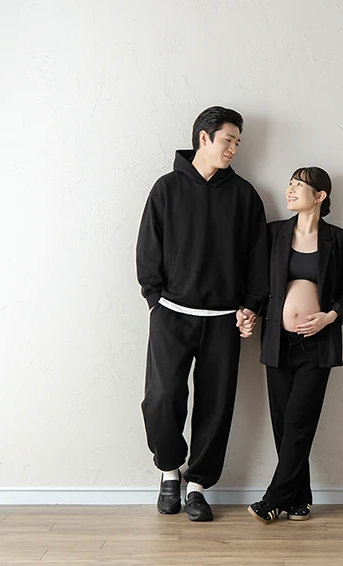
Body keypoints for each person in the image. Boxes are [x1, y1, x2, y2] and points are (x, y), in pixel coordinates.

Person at [136, 106, 268, 522]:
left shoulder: (245, 195)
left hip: (223, 319)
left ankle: (197, 486)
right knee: (162, 399)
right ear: (203, 138)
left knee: (216, 405)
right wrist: (155, 301)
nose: (233, 149)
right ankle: (169, 471)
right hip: (171, 314)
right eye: (228, 139)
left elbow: (257, 257)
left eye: (238, 142)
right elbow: (148, 248)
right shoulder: (166, 188)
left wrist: (251, 305)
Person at [243, 167, 343, 523]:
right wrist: (248, 312)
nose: (290, 190)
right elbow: (259, 284)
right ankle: (300, 497)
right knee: (284, 424)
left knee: (299, 422)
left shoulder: (338, 239)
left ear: (320, 196)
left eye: (299, 185)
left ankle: (273, 499)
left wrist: (329, 317)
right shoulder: (273, 233)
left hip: (318, 345)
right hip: (277, 341)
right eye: (289, 184)